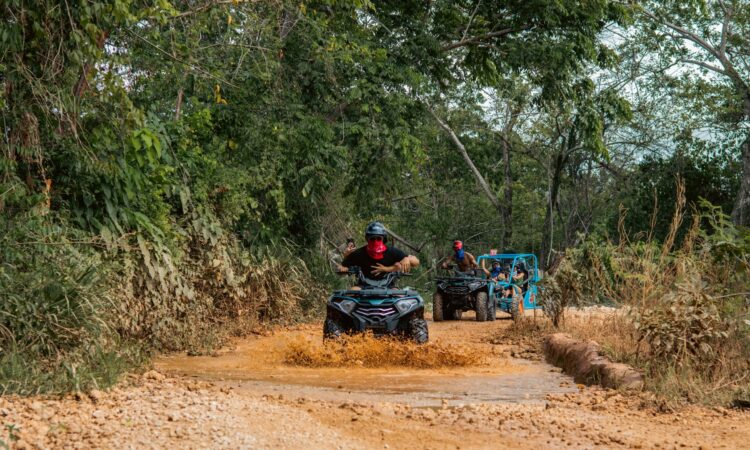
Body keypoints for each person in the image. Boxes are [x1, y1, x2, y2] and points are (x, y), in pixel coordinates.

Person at [339, 221, 419, 288]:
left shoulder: (392, 252)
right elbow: (343, 266)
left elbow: (416, 262)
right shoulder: (359, 253)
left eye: (378, 238)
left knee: (400, 299)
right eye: (372, 238)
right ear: (368, 239)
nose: (375, 241)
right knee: (350, 295)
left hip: (388, 286)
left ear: (383, 239)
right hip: (364, 285)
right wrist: (344, 266)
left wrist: (407, 259)